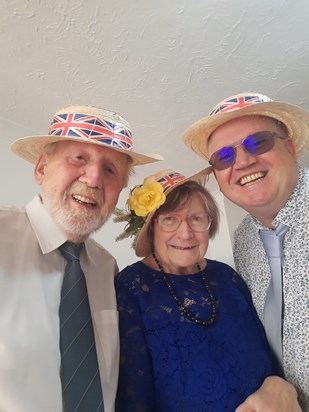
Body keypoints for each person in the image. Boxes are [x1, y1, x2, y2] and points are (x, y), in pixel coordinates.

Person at [0, 104, 162, 412]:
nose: (93, 179)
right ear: (41, 169)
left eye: (111, 170)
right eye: (79, 159)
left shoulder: (107, 268)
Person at [113, 167, 287, 412]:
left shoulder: (226, 277)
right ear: (152, 227)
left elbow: (269, 355)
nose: (185, 233)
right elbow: (133, 395)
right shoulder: (130, 288)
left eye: (197, 218)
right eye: (170, 219)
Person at [182, 91, 309, 411]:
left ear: (290, 148)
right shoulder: (244, 239)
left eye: (258, 142)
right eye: (224, 157)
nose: (243, 161)